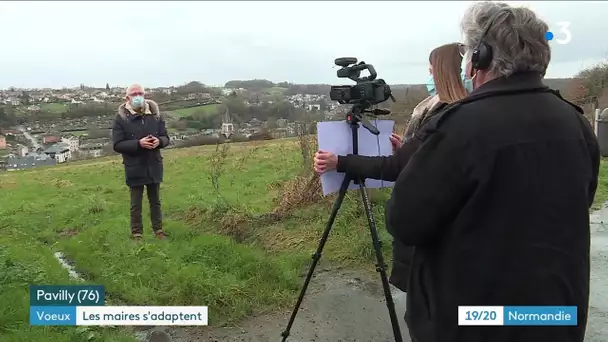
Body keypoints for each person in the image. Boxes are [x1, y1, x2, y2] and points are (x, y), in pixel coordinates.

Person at [384, 2, 599, 342]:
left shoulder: (458, 128)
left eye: (470, 52)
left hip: (477, 320)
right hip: (555, 316)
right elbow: (579, 200)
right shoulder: (575, 123)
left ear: (481, 57)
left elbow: (404, 221)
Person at [314, 42, 469, 296]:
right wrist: (408, 149)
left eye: (432, 70)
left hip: (430, 226)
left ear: (445, 71)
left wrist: (339, 162)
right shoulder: (459, 110)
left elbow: (395, 168)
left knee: (429, 311)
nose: (430, 77)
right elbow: (421, 159)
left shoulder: (444, 114)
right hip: (449, 227)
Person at [112, 84, 170, 241]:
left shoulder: (155, 115)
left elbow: (166, 137)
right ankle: (137, 234)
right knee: (136, 203)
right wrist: (138, 143)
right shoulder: (121, 118)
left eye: (140, 93)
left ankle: (158, 231)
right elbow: (117, 144)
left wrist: (160, 141)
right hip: (134, 166)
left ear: (145, 95)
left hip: (154, 164)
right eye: (134, 94)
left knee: (155, 201)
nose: (137, 96)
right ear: (127, 98)